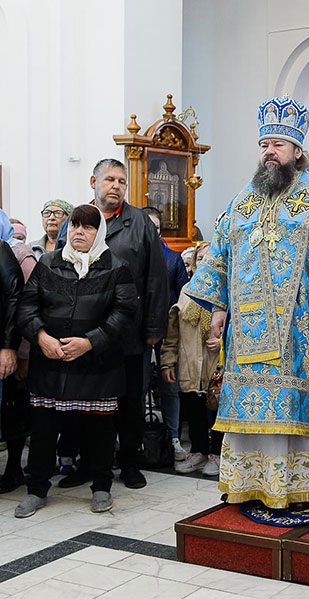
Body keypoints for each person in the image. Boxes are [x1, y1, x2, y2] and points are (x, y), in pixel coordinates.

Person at [185, 96, 309, 508]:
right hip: (247, 332)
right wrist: (219, 308)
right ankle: (250, 483)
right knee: (250, 412)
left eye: (278, 144)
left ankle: (296, 485)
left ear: (297, 151)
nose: (269, 151)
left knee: (292, 410)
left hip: (299, 329)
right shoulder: (244, 198)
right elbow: (222, 253)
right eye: (265, 144)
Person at [15, 204, 137, 517]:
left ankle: (100, 487)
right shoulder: (48, 263)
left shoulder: (116, 267)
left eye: (88, 227)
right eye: (75, 226)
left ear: (100, 233)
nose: (79, 233)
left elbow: (124, 315)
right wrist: (41, 337)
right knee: (43, 429)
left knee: (99, 430)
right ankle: (37, 489)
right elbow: (27, 307)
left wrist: (89, 342)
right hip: (51, 362)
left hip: (97, 365)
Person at [55, 158, 169, 490]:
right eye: (110, 180)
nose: (116, 186)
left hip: (128, 333)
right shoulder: (76, 221)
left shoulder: (139, 223)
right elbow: (61, 272)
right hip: (84, 333)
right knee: (86, 401)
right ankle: (89, 464)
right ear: (94, 181)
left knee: (129, 400)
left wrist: (153, 328)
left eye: (122, 181)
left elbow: (156, 278)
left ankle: (131, 462)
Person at [161, 242, 223, 476]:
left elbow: (238, 326)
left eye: (209, 258)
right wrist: (168, 360)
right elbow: (173, 328)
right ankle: (198, 451)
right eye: (199, 259)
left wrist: (222, 342)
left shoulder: (226, 288)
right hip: (189, 360)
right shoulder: (187, 289)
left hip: (216, 361)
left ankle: (217, 453)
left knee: (217, 407)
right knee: (193, 406)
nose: (203, 262)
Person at [142, 206, 190, 460]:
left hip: (166, 330)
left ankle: (173, 436)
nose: (153, 232)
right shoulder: (132, 255)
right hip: (138, 331)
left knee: (170, 385)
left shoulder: (173, 259)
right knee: (137, 386)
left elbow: (183, 295)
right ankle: (137, 438)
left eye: (156, 228)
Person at [0, 210, 34, 493]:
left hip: (9, 349)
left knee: (12, 410)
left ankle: (14, 469)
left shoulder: (13, 252)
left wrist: (15, 351)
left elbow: (20, 303)